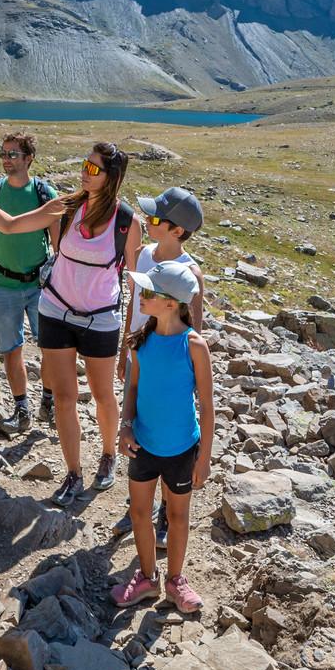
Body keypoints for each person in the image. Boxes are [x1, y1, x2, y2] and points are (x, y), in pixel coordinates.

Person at [0, 142, 140, 506]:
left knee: (103, 394)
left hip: (100, 317)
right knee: (63, 397)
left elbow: (137, 285)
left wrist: (131, 338)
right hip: (57, 311)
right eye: (84, 165)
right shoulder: (67, 205)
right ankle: (73, 473)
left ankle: (108, 455)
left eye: (92, 169)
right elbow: (11, 226)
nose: (84, 173)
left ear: (111, 178)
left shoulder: (127, 223)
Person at [109, 260, 214, 615]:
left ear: (171, 303)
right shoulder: (141, 340)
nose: (140, 295)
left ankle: (175, 581)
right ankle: (148, 577)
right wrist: (125, 426)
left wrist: (204, 458)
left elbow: (207, 405)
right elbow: (132, 388)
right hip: (143, 443)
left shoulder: (194, 345)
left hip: (182, 447)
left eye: (149, 292)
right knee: (140, 513)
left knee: (178, 515)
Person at [114, 186, 205, 544]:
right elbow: (134, 306)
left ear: (177, 230)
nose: (147, 222)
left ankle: (167, 511)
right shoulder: (141, 254)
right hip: (140, 356)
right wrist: (125, 351)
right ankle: (139, 502)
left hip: (170, 368)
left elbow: (194, 329)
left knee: (168, 439)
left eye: (155, 219)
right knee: (137, 427)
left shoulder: (190, 273)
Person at [0, 133, 59, 433]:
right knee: (11, 349)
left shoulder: (44, 193)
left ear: (29, 158)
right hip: (2, 284)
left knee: (51, 348)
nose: (6, 159)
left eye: (13, 154)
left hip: (40, 285)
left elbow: (59, 248)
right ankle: (22, 409)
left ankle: (48, 401)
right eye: (3, 154)